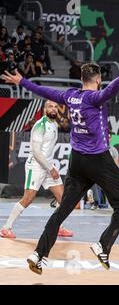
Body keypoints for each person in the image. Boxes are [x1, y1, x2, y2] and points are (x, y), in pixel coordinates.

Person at [2, 58, 119, 274]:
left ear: (82, 79)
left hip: (77, 162)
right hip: (97, 160)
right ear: (99, 79)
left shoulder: (70, 96)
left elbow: (45, 91)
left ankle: (38, 254)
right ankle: (103, 245)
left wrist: (22, 82)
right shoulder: (94, 97)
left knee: (62, 211)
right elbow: (110, 92)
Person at [0, 101, 73, 239]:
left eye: (55, 107)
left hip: (48, 166)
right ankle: (6, 228)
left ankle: (58, 226)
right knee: (28, 198)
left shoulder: (54, 124)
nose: (53, 109)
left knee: (63, 198)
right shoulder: (40, 126)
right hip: (36, 166)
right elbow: (36, 151)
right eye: (50, 106)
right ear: (44, 109)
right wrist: (50, 168)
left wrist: (50, 167)